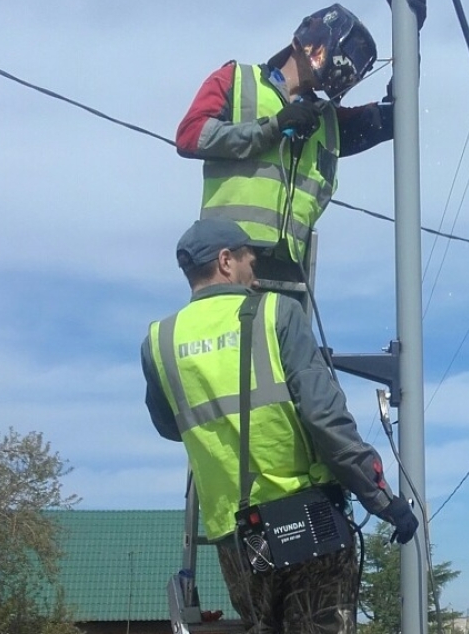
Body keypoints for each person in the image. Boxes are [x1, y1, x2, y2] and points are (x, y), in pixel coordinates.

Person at [141, 217, 419, 633]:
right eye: (248, 256)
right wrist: (383, 500)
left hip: (236, 537)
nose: (253, 264)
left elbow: (169, 425)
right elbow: (326, 420)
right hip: (308, 518)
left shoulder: (160, 341)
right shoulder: (277, 313)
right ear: (225, 261)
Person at [175, 1, 425, 268]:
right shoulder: (236, 80)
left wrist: (411, 31)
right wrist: (271, 127)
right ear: (304, 41)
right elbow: (190, 136)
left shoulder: (326, 121)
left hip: (288, 268)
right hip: (225, 261)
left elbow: (393, 118)